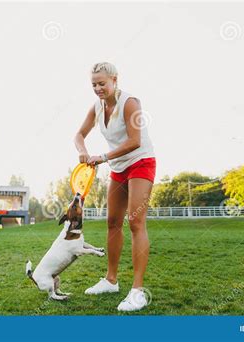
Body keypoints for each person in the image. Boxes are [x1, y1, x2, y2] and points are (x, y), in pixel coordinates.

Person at [74, 62, 156, 311]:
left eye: (102, 83)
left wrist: (103, 157)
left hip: (141, 162)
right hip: (118, 168)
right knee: (112, 222)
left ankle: (137, 291)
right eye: (94, 85)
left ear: (114, 80)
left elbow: (135, 140)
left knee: (135, 222)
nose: (98, 88)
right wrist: (83, 153)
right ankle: (111, 280)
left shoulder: (130, 103)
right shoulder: (97, 108)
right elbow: (78, 135)